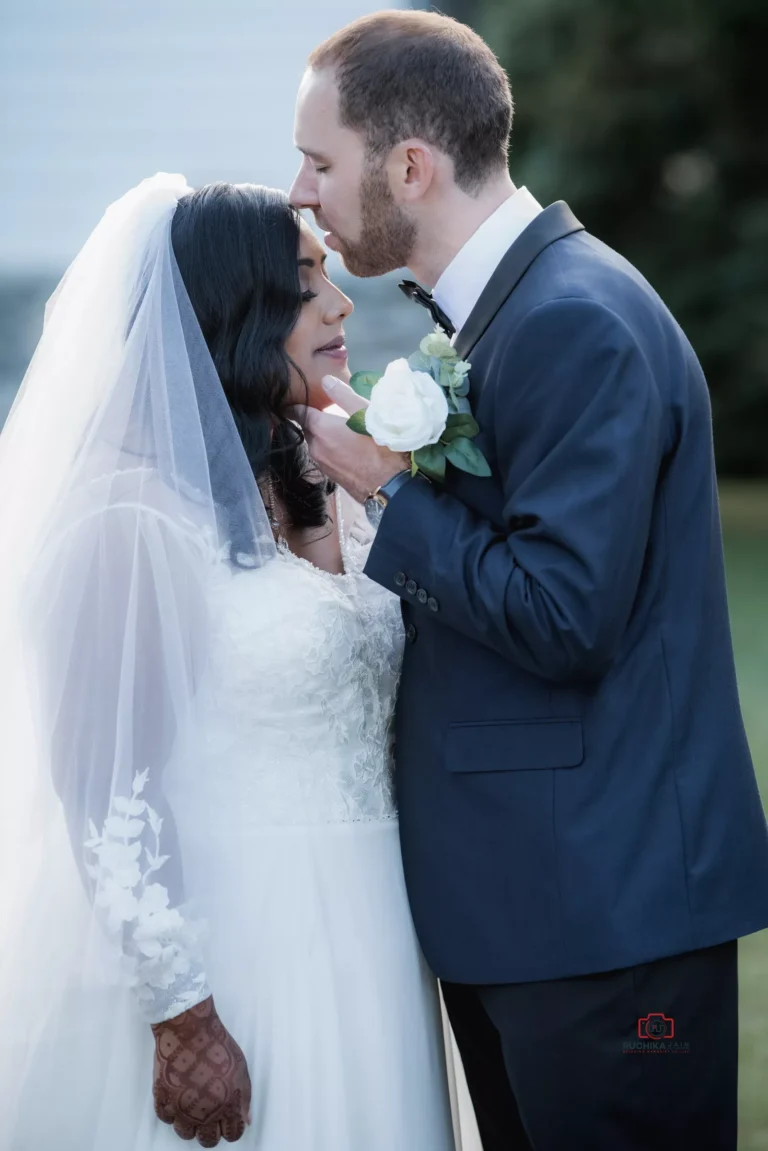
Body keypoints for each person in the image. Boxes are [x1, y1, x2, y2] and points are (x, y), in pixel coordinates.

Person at [289, 10, 768, 1150]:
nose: (301, 190)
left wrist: (386, 492)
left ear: (410, 165)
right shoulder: (513, 316)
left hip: (602, 918)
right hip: (539, 907)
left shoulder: (573, 321)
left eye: (319, 160)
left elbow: (565, 615)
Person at [0, 174, 460, 1151]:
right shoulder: (126, 518)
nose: (339, 304)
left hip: (379, 930)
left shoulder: (329, 478)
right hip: (241, 948)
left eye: (331, 278)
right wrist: (183, 1013)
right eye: (305, 282)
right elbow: (105, 786)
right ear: (231, 309)